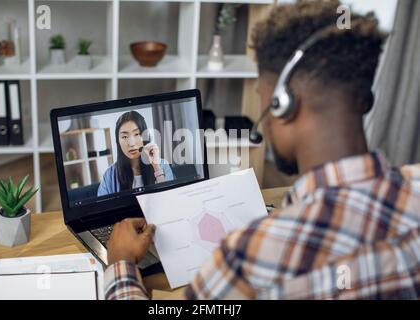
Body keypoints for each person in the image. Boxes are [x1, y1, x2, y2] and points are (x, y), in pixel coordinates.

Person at [104, 0, 420, 299]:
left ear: (284, 104)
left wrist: (121, 264)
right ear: (365, 99)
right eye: (124, 136)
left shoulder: (248, 257)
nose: (263, 123)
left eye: (263, 99)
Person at [97, 111, 174, 196]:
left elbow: (170, 200)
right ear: (118, 141)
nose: (131, 143)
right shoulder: (109, 175)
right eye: (125, 137)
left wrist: (156, 167)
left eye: (137, 134)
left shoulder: (162, 165)